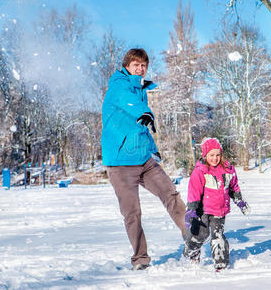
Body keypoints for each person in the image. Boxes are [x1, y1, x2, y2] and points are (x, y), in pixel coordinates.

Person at [101, 48, 186, 270]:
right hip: (120, 164)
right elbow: (128, 102)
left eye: (143, 65)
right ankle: (140, 259)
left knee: (171, 194)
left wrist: (153, 148)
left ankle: (193, 234)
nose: (140, 69)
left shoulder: (140, 90)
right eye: (136, 64)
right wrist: (144, 111)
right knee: (132, 212)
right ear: (127, 66)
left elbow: (140, 128)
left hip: (143, 159)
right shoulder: (119, 85)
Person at [183, 137, 250, 271]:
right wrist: (192, 210)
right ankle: (192, 251)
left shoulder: (228, 169)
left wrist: (240, 201)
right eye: (211, 155)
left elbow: (234, 187)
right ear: (205, 155)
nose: (215, 158)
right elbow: (194, 192)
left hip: (220, 211)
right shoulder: (200, 171)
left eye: (218, 155)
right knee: (201, 235)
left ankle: (221, 265)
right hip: (203, 211)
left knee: (218, 236)